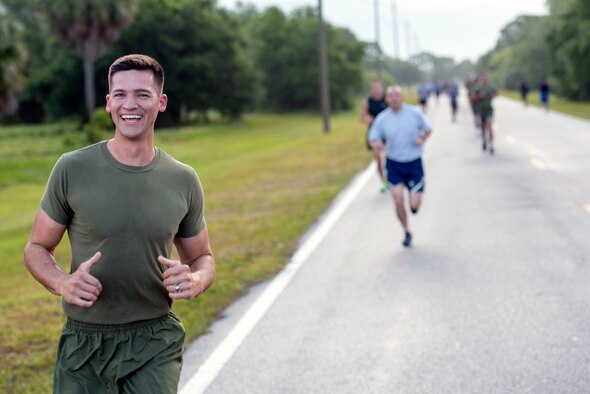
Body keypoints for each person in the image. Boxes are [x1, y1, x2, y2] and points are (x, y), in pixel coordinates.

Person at [23, 54, 216, 393]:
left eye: (143, 94)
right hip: (84, 342)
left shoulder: (183, 179)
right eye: (121, 94)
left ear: (161, 102)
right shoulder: (71, 168)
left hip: (154, 339)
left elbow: (202, 257)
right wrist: (61, 282)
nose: (131, 104)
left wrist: (196, 280)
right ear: (109, 103)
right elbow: (37, 247)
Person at [368, 85, 433, 248]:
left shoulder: (414, 113)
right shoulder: (382, 119)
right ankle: (407, 231)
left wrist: (422, 139)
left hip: (414, 162)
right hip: (394, 163)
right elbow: (373, 138)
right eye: (391, 96)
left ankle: (414, 204)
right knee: (397, 200)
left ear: (402, 97)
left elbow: (428, 129)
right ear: (387, 99)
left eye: (397, 95)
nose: (395, 98)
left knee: (414, 206)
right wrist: (377, 144)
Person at [360, 79, 389, 192]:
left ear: (382, 88)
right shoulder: (367, 102)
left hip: (387, 131)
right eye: (374, 88)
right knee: (378, 158)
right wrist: (369, 120)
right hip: (374, 132)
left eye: (378, 87)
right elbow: (362, 117)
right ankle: (384, 182)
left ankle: (392, 178)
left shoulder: (387, 99)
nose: (376, 90)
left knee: (389, 157)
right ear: (371, 89)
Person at [473, 73, 498, 154]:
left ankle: (491, 144)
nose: (485, 80)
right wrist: (479, 97)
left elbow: (496, 93)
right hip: (481, 110)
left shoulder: (490, 87)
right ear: (481, 80)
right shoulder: (478, 88)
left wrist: (493, 96)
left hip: (489, 109)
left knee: (489, 125)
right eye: (483, 79)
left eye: (486, 79)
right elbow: (471, 98)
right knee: (483, 128)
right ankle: (484, 140)